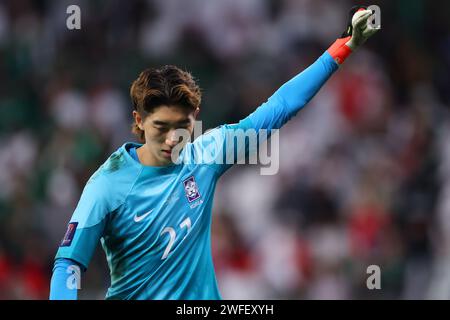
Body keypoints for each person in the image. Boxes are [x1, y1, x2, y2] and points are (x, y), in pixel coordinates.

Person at [49, 6, 379, 300]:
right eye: (161, 126)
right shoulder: (108, 185)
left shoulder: (206, 156)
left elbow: (280, 106)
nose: (171, 139)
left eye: (181, 126)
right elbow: (70, 262)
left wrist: (343, 46)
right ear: (139, 120)